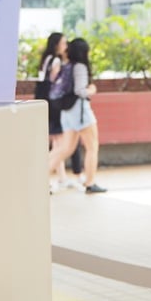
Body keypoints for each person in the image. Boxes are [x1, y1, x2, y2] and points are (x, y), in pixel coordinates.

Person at [54, 37, 107, 194]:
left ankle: (39, 175)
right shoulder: (80, 67)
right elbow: (79, 91)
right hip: (80, 112)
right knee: (92, 147)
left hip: (67, 111)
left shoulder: (67, 66)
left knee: (66, 149)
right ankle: (90, 183)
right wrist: (91, 90)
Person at [40, 32, 71, 193]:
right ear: (57, 45)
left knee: (55, 142)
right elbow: (55, 85)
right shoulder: (57, 61)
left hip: (43, 104)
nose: (66, 47)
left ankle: (62, 177)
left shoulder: (45, 59)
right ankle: (46, 178)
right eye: (64, 43)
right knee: (58, 143)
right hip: (53, 106)